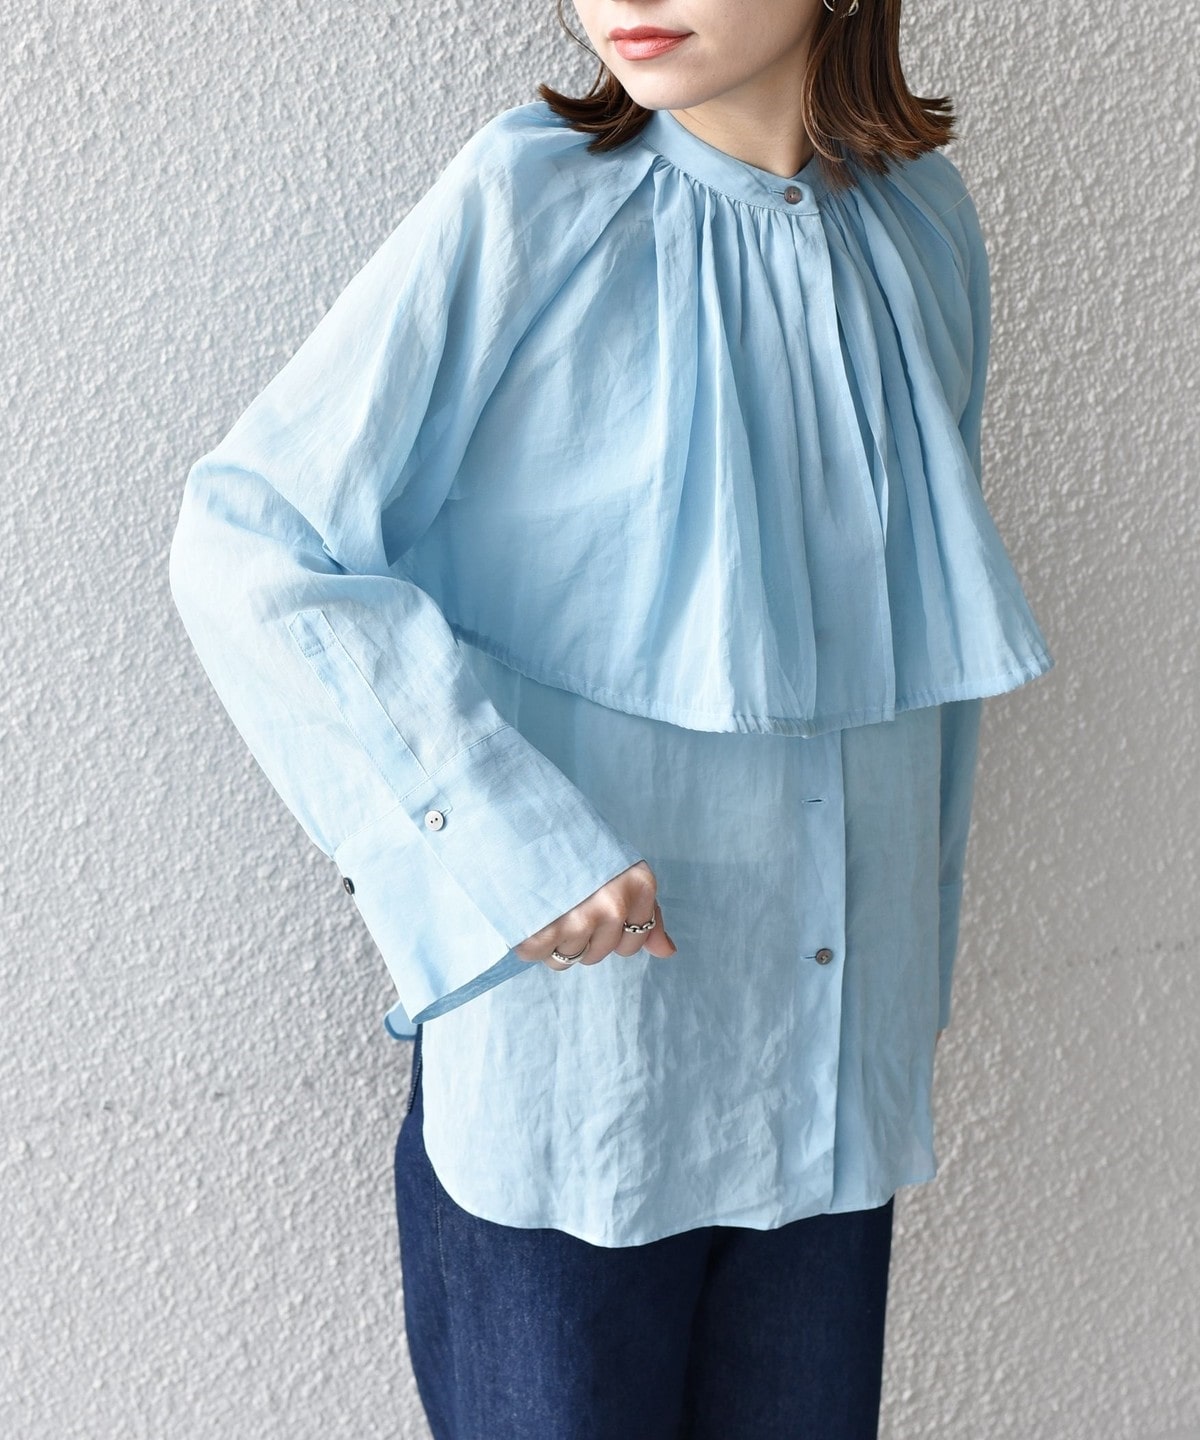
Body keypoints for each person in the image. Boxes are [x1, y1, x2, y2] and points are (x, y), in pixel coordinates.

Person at [168, 1, 1054, 1435]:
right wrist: (508, 847)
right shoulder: (529, 205)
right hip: (580, 1099)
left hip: (828, 1095)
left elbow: (928, 663)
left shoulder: (926, 231)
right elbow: (251, 542)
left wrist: (907, 1006)